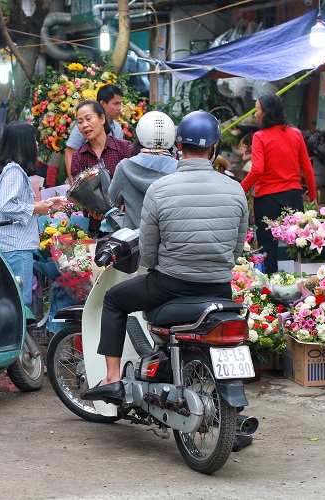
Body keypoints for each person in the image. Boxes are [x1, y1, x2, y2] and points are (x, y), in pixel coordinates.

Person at [80, 110, 248, 401]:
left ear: (179, 147)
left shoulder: (160, 189)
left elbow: (148, 251)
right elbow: (237, 247)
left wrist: (164, 268)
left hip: (171, 282)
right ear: (213, 148)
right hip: (220, 287)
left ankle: (111, 377)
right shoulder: (236, 190)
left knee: (114, 300)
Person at [240, 93, 317, 274]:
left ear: (266, 112)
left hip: (267, 200)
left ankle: (271, 287)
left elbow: (257, 169)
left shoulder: (259, 137)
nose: (255, 114)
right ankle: (302, 283)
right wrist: (313, 197)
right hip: (293, 196)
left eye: (257, 110)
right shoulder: (296, 134)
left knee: (268, 246)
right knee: (299, 243)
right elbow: (308, 169)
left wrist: (240, 189)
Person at [0, 122, 67, 308]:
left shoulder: (13, 170)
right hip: (16, 246)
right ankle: (18, 338)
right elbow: (7, 205)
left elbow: (16, 203)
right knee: (20, 302)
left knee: (17, 300)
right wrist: (35, 208)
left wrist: (47, 205)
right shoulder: (15, 171)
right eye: (33, 140)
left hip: (15, 245)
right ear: (23, 144)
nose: (35, 144)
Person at [108, 111, 178, 230]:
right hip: (168, 244)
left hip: (134, 243)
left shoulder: (125, 167)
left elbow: (114, 198)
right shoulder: (180, 169)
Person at [70, 100, 132, 233]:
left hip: (126, 225)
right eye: (80, 122)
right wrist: (91, 208)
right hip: (95, 227)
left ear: (102, 118)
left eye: (88, 119)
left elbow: (133, 182)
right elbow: (79, 191)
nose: (85, 125)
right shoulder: (78, 156)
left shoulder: (123, 148)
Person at [65, 84, 124, 182]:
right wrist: (74, 186)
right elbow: (70, 154)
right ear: (103, 103)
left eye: (120, 104)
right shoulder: (79, 155)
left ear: (102, 119)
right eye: (115, 104)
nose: (119, 108)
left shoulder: (118, 131)